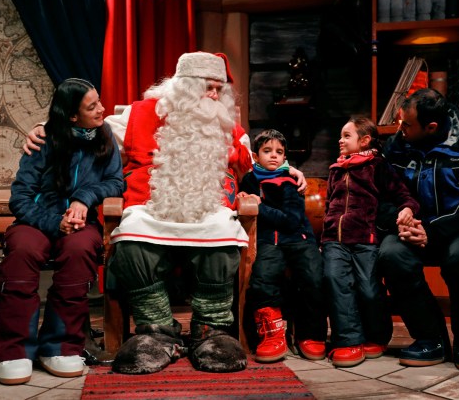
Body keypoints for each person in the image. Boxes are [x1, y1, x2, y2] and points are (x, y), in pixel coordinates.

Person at [22, 52, 307, 375]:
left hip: (208, 208)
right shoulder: (139, 114)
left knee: (224, 236)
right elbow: (87, 128)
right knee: (130, 241)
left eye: (219, 89)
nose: (214, 95)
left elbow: (261, 162)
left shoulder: (228, 126)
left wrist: (289, 170)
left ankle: (209, 330)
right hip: (151, 207)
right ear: (183, 86)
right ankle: (156, 330)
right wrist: (44, 128)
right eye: (207, 87)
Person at [0, 78, 124, 385]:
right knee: (22, 251)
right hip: (36, 221)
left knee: (79, 251)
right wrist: (54, 223)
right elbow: (20, 198)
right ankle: (14, 350)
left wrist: (84, 197)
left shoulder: (105, 137)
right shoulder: (43, 140)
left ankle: (60, 345)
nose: (101, 109)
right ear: (72, 115)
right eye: (92, 106)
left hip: (80, 224)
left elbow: (117, 182)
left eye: (99, 101)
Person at [378, 88, 459, 372]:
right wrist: (401, 219)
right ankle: (430, 339)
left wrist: (432, 231)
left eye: (407, 124)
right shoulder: (395, 147)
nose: (400, 129)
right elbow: (380, 195)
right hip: (410, 226)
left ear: (431, 127)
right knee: (390, 254)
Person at [322, 116, 420, 368]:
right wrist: (326, 234)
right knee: (336, 280)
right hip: (335, 240)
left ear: (364, 140)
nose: (340, 140)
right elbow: (329, 205)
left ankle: (376, 335)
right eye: (341, 135)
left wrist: (407, 209)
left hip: (365, 239)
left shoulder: (377, 166)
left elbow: (403, 195)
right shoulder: (336, 169)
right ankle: (348, 340)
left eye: (346, 135)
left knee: (367, 286)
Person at [237, 129, 327, 364]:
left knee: (313, 275)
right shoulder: (249, 179)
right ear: (256, 156)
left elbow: (290, 220)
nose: (274, 156)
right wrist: (247, 199)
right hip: (268, 239)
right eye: (267, 151)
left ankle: (310, 334)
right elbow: (244, 199)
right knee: (263, 277)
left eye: (279, 152)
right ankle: (272, 333)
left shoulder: (290, 180)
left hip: (299, 238)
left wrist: (260, 206)